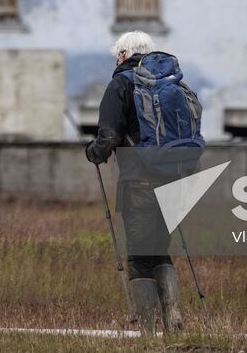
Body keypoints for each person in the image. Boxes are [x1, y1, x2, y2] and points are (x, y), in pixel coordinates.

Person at [84, 30, 189, 334]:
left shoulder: (121, 83)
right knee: (159, 249)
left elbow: (108, 136)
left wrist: (94, 152)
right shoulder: (171, 83)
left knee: (140, 255)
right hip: (174, 180)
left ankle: (146, 330)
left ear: (123, 55)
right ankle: (172, 315)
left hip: (139, 183)